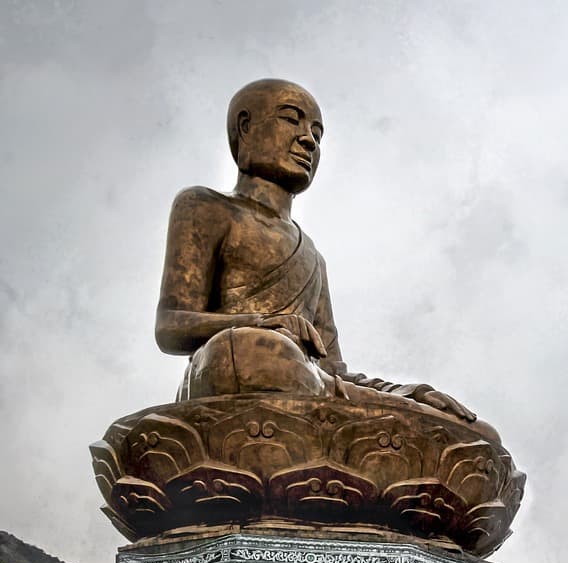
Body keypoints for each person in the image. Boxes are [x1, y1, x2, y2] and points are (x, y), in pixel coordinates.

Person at [154, 78, 494, 440]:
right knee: (258, 352)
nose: (307, 140)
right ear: (245, 127)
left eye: (317, 133)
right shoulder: (205, 206)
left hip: (311, 384)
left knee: (476, 434)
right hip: (237, 367)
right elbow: (170, 327)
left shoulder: (312, 256)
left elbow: (334, 372)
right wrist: (262, 322)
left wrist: (409, 394)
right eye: (291, 119)